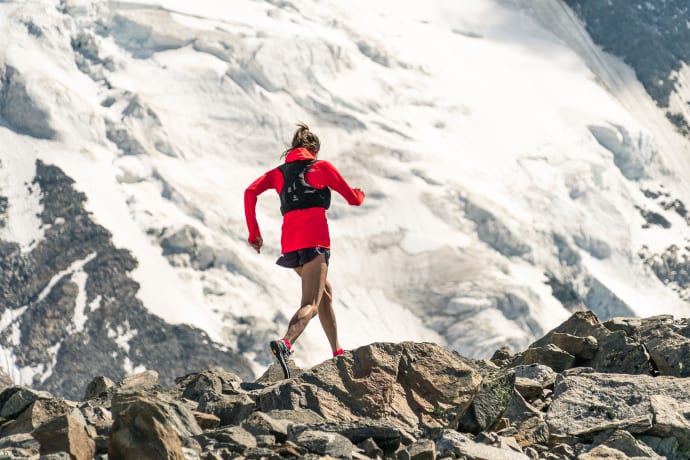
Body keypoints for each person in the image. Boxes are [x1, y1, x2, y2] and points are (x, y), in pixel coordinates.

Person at [244, 122, 365, 379]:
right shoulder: (320, 167)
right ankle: (285, 344)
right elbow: (353, 200)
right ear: (314, 150)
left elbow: (250, 192)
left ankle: (337, 351)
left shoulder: (279, 173)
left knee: (326, 294)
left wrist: (254, 233)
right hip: (315, 241)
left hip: (291, 244)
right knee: (310, 302)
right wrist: (360, 194)